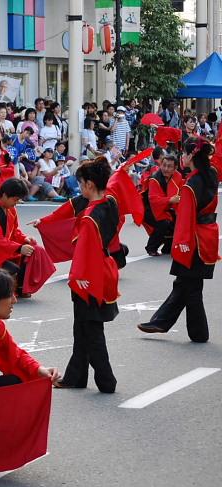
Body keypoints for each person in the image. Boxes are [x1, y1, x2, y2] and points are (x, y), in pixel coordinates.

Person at [137, 138, 220, 343]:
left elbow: (185, 219)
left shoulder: (191, 183)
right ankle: (163, 322)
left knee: (190, 287)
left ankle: (197, 333)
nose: (182, 157)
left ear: (191, 155)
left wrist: (180, 245)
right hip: (207, 235)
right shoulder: (211, 174)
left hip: (194, 238)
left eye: (184, 153)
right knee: (187, 284)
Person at [55, 157, 120, 393]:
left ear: (90, 185)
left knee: (91, 329)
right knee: (83, 326)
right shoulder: (110, 202)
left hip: (90, 272)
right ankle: (76, 376)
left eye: (81, 184)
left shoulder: (91, 216)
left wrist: (78, 278)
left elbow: (84, 252)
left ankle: (106, 380)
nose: (80, 188)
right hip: (104, 266)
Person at [141, 155, 184, 256]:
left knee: (178, 220)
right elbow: (154, 200)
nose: (165, 169)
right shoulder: (154, 179)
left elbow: (180, 191)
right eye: (164, 165)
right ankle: (151, 247)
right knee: (164, 223)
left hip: (165, 207)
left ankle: (167, 247)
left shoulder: (177, 176)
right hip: (149, 209)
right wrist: (170, 199)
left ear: (175, 168)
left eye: (169, 166)